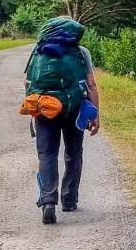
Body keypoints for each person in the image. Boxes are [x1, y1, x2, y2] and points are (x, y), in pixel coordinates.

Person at [26, 17, 100, 224]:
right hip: (74, 109)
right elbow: (91, 85)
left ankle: (48, 201)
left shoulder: (38, 50)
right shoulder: (80, 51)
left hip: (44, 110)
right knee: (73, 153)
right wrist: (95, 114)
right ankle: (69, 199)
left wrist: (34, 111)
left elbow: (29, 82)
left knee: (47, 154)